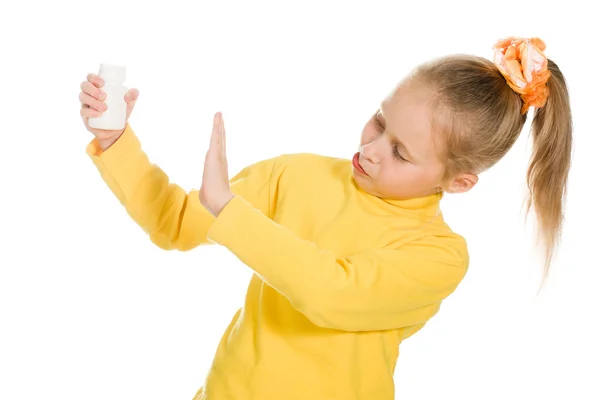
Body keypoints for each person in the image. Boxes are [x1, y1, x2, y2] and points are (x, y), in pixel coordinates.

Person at [78, 36, 572, 400]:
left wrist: (230, 209)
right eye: (379, 121)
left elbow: (332, 294)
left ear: (457, 182)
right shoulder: (296, 174)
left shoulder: (439, 256)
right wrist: (115, 141)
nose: (371, 149)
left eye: (401, 152)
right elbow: (174, 221)